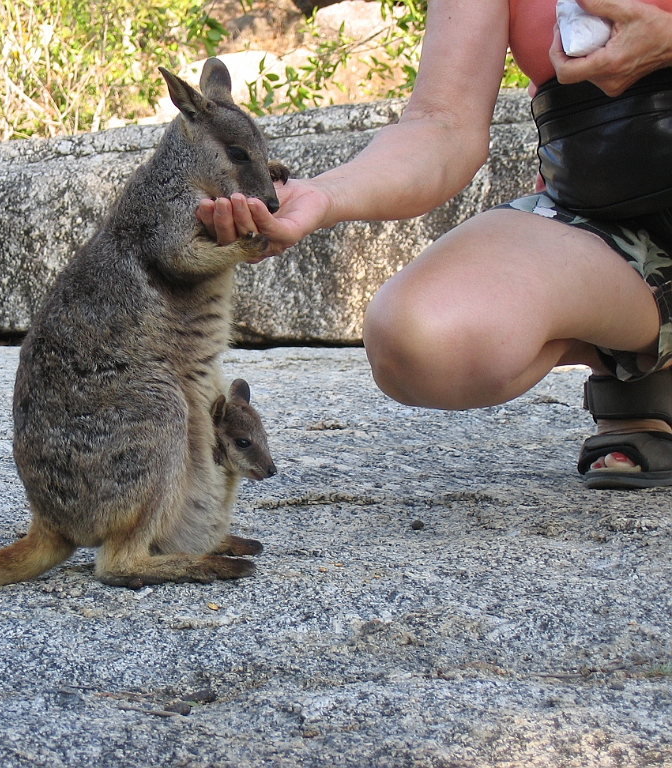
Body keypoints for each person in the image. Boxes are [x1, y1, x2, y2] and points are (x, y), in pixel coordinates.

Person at [197, 0, 672, 489]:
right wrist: (324, 195)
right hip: (607, 211)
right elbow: (444, 123)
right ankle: (642, 360)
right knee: (417, 338)